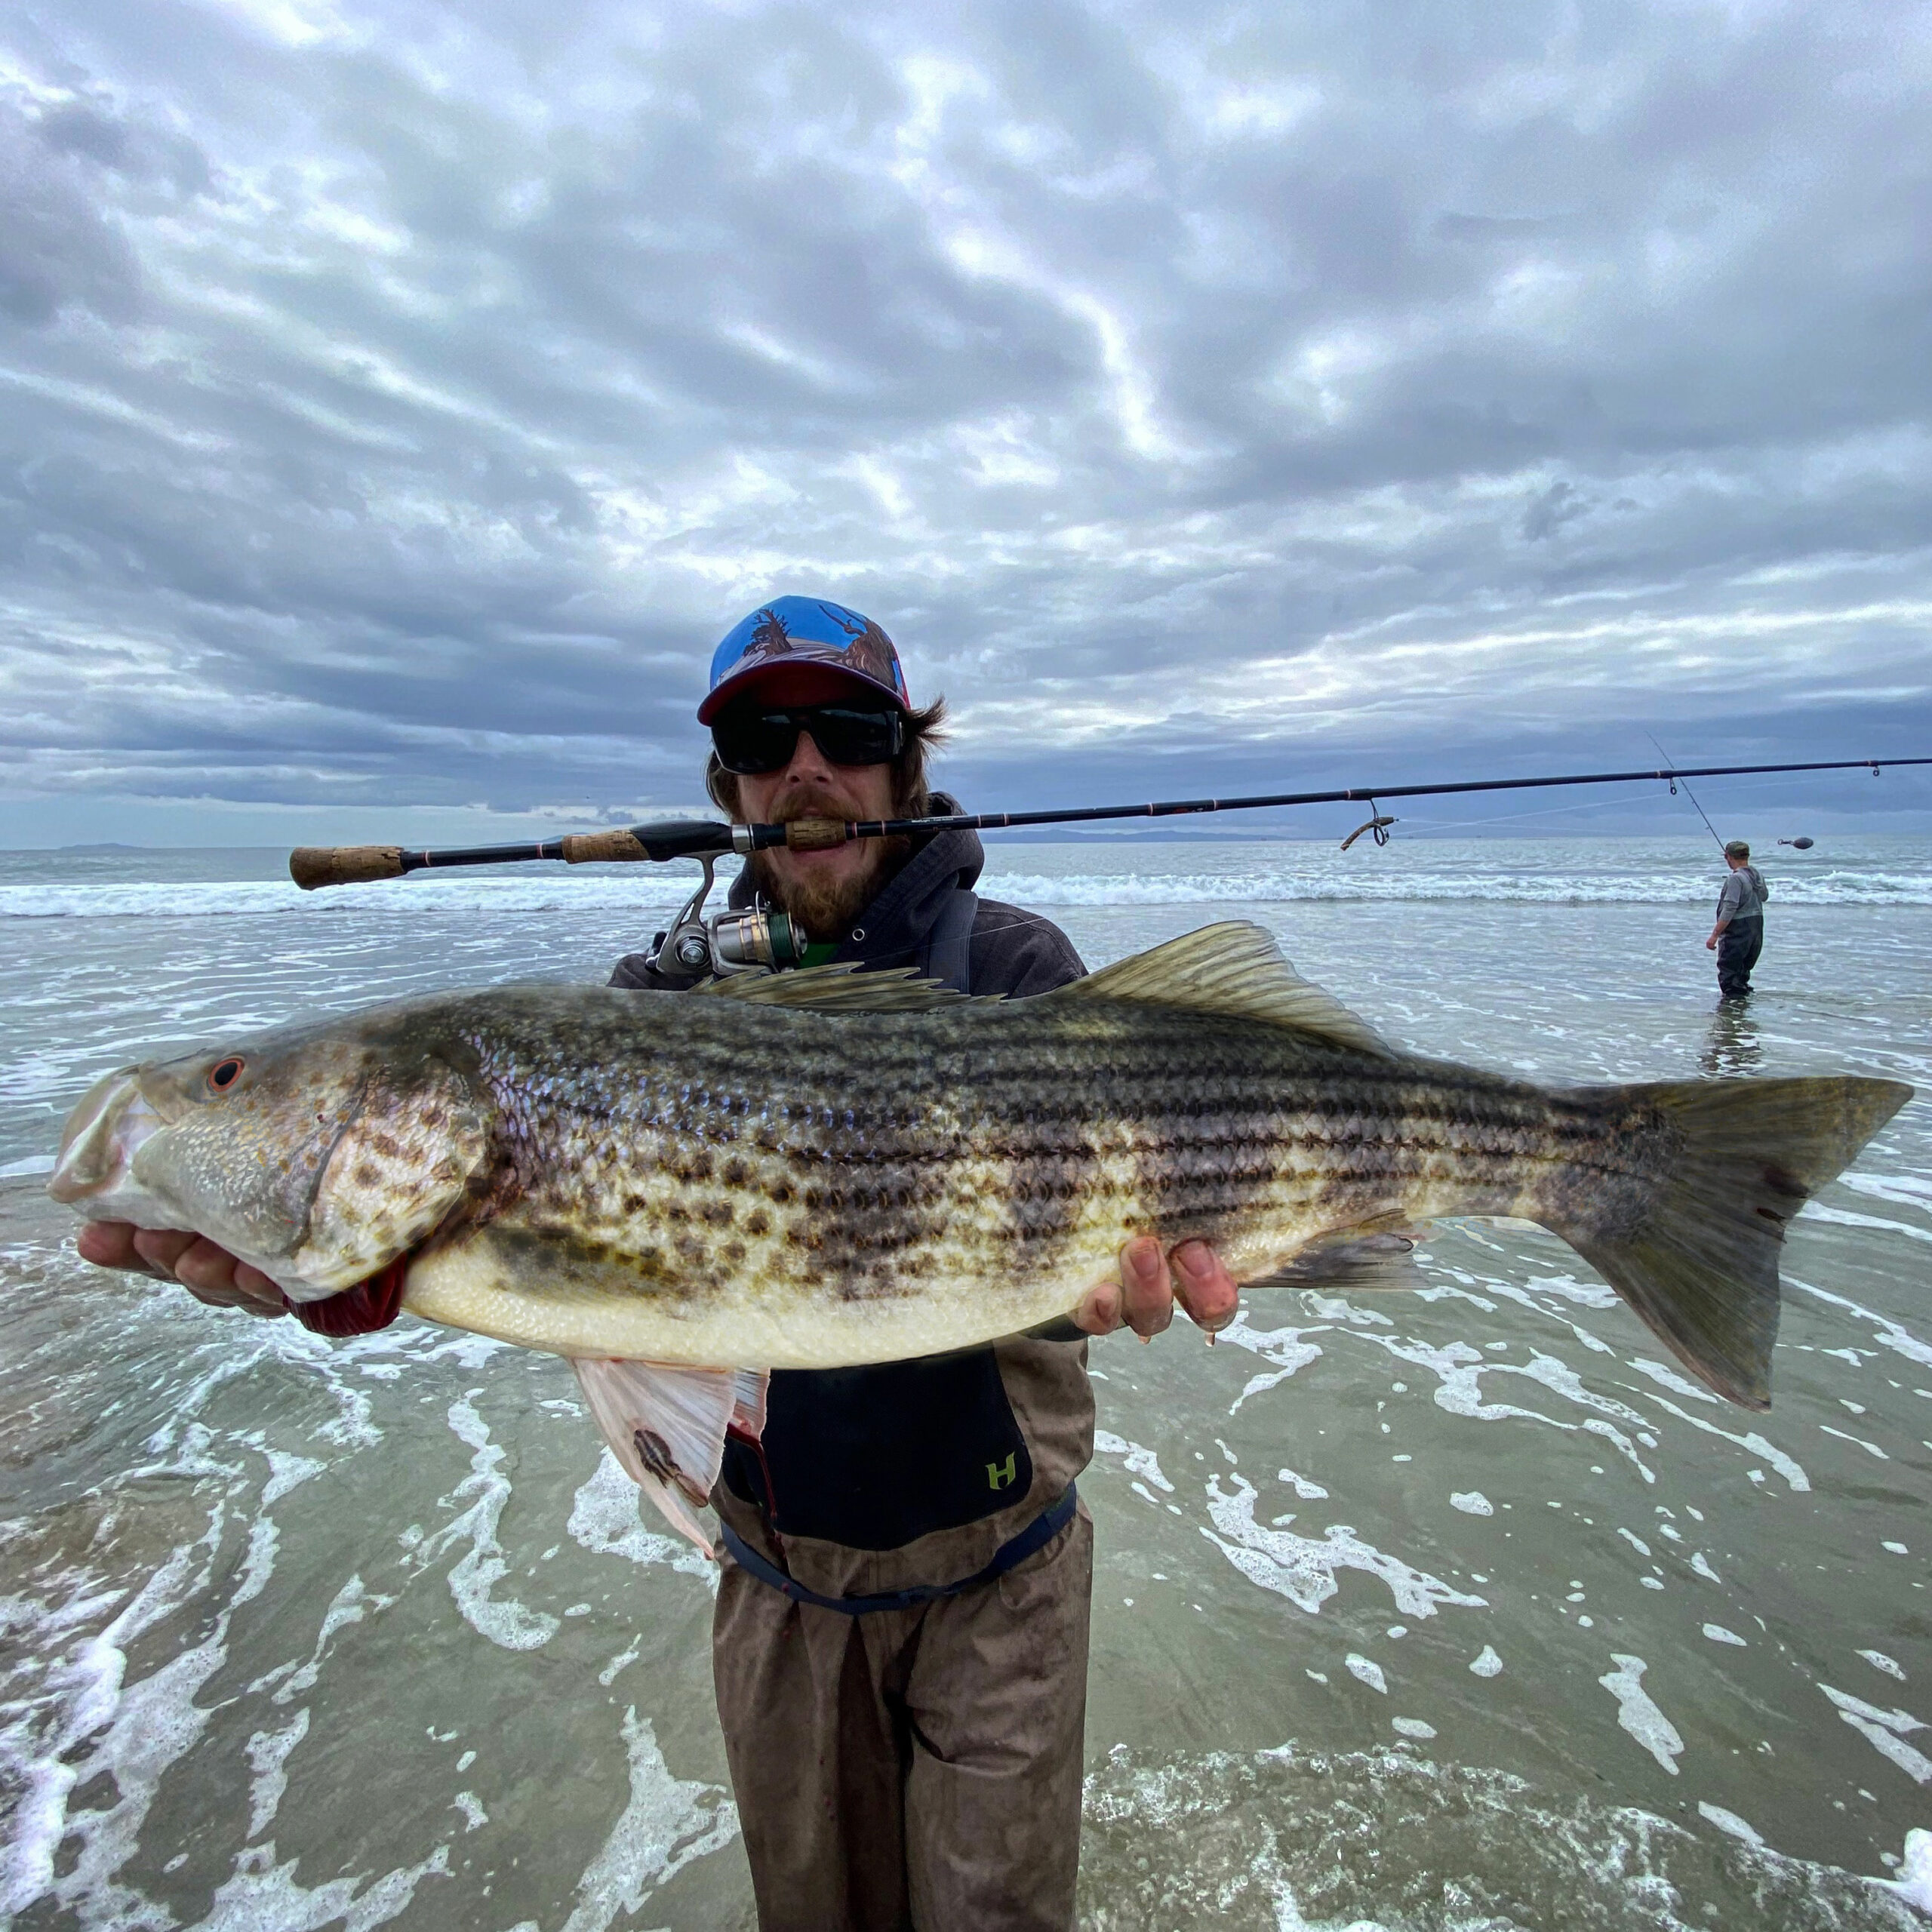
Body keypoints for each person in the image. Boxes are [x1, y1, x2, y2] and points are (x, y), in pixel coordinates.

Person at [75, 595, 1241, 1932]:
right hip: (782, 1583)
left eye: (850, 730)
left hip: (1004, 1581)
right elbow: (567, 1301)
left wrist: (1128, 1272)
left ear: (905, 765)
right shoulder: (653, 1004)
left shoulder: (1021, 966)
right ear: (728, 783)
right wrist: (344, 1272)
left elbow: (1128, 1224)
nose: (807, 767)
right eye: (762, 736)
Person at [1705, 838, 1769, 1000]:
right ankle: (1741, 1012)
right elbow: (1765, 896)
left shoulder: (1735, 879)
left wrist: (1714, 935)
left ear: (1728, 856)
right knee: (1742, 972)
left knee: (1729, 974)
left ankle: (1732, 1016)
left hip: (1738, 928)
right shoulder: (1757, 875)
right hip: (1756, 927)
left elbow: (1729, 908)